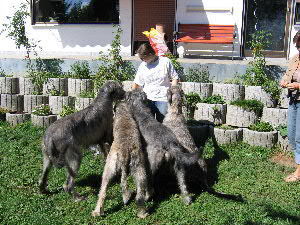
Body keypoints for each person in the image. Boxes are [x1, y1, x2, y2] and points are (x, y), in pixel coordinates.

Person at [132, 43, 179, 122]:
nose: (143, 60)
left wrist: (173, 92)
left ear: (151, 54)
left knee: (163, 123)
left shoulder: (165, 62)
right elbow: (136, 83)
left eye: (144, 58)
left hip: (163, 98)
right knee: (148, 125)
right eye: (141, 59)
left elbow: (175, 78)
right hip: (147, 99)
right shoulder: (143, 65)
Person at [280, 30, 300, 182]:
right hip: (293, 101)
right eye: (298, 46)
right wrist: (284, 81)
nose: (299, 49)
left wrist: (298, 86)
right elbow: (287, 75)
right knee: (292, 135)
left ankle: (298, 172)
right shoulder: (294, 59)